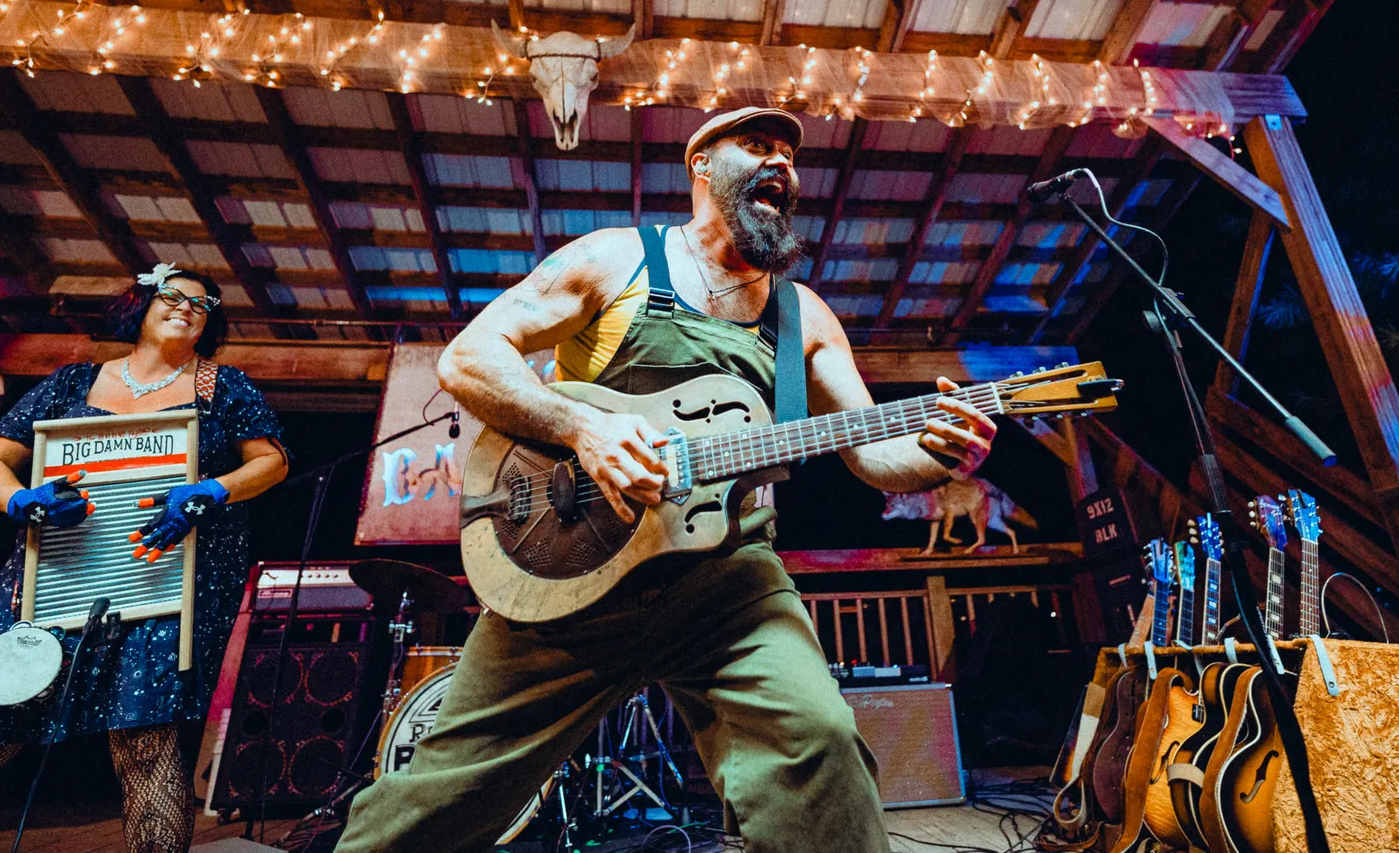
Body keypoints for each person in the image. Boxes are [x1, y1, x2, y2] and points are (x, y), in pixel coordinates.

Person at [337, 107, 996, 853]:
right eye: (757, 145)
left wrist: (941, 452)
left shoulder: (803, 314)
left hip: (728, 584)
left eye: (789, 153)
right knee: (439, 798)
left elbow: (873, 453)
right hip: (571, 573)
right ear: (701, 164)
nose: (781, 161)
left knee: (820, 741)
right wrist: (583, 428)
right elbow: (468, 358)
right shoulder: (616, 258)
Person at [0, 264, 288, 853]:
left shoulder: (222, 387)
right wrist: (23, 501)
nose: (187, 308)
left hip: (160, 584)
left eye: (202, 305)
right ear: (141, 304)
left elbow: (272, 462)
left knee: (146, 747)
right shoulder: (70, 384)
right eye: (173, 296)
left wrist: (214, 490)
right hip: (49, 582)